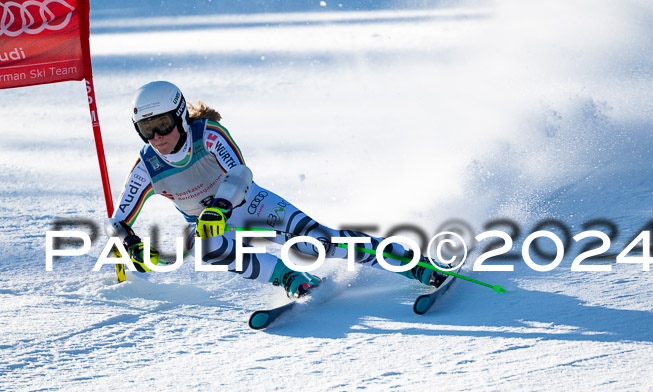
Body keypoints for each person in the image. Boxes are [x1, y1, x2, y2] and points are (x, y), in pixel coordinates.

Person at [106, 81, 447, 298]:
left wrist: (220, 206)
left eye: (163, 124)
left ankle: (412, 263)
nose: (157, 137)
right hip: (215, 225)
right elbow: (117, 220)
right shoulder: (147, 167)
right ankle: (287, 277)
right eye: (146, 129)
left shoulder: (207, 134)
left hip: (251, 205)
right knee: (208, 249)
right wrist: (131, 245)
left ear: (179, 116)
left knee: (318, 245)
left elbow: (240, 172)